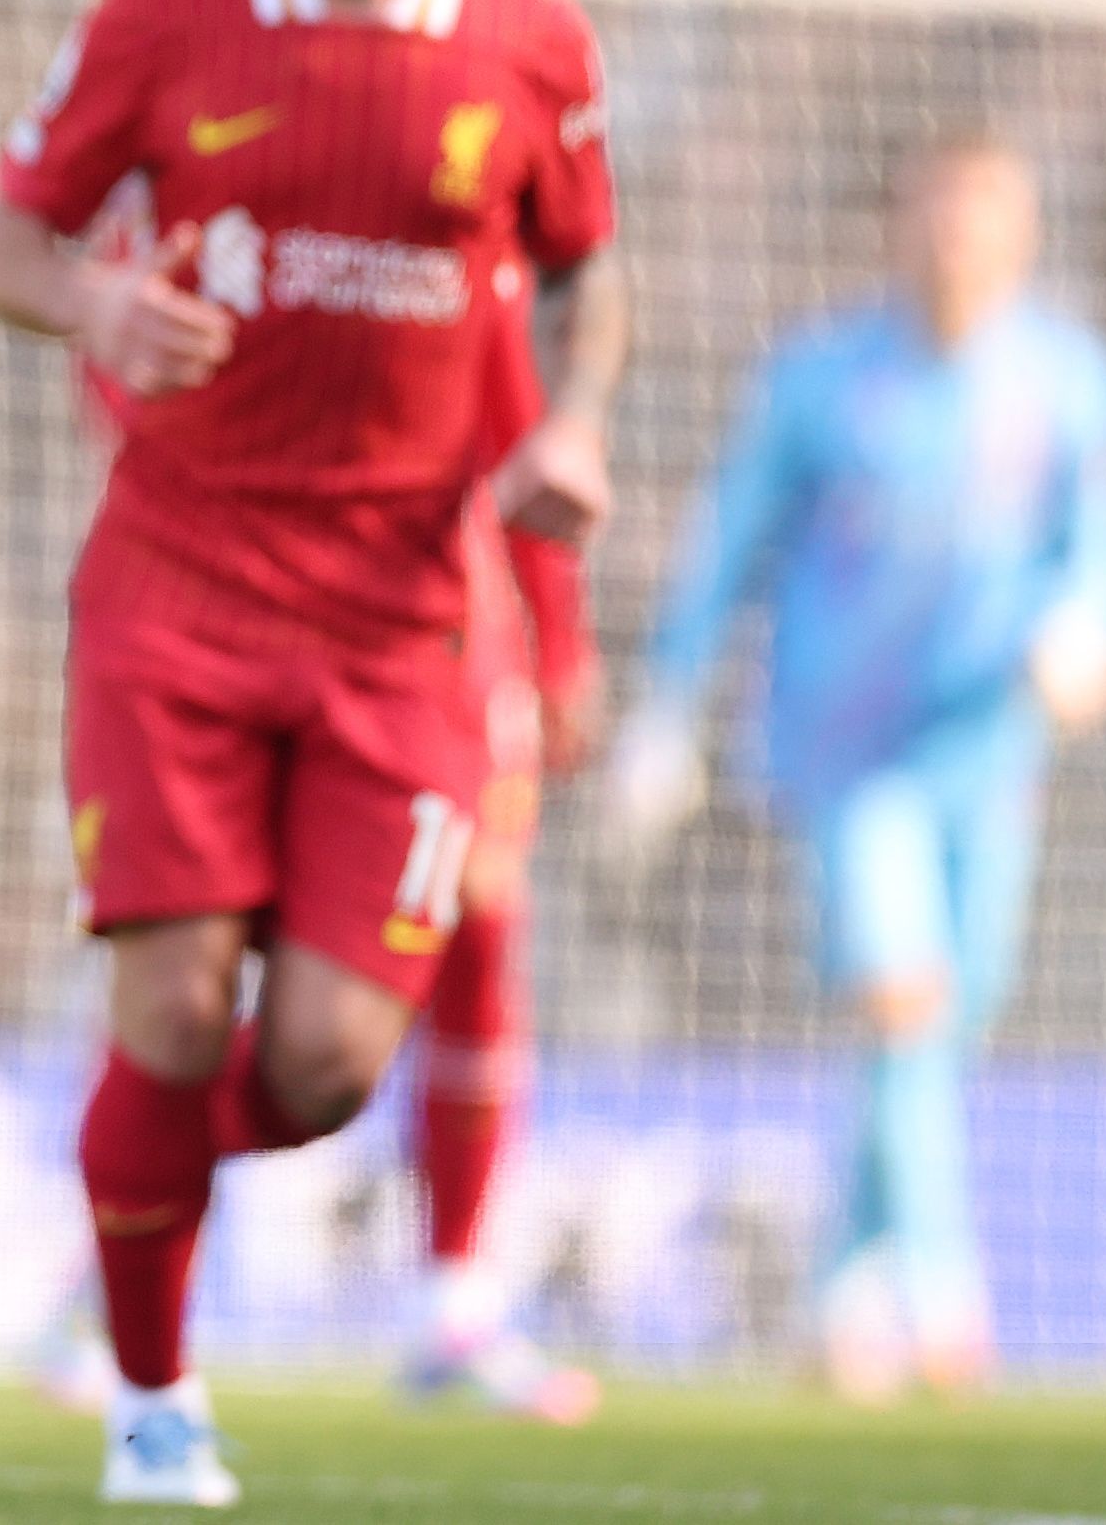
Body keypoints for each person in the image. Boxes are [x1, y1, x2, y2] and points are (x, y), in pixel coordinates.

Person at [0, 0, 625, 1507]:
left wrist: (570, 425)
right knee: (172, 1007)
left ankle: (120, 1200)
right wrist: (91, 300)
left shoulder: (528, 48)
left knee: (325, 1065)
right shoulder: (166, 13)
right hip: (173, 594)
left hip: (406, 631)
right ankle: (157, 1406)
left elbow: (587, 278)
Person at [606, 134, 1106, 1406]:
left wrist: (1084, 626)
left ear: (1018, 236)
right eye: (936, 217)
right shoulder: (821, 380)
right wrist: (667, 704)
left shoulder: (1070, 383)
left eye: (982, 220)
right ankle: (943, 1301)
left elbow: (1102, 550)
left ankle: (840, 1286)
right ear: (901, 226)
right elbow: (728, 539)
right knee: (901, 1003)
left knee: (944, 1026)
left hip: (990, 755)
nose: (954, 242)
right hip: (847, 758)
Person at [401, 315, 602, 1423]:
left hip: (457, 657)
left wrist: (557, 642)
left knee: (482, 923)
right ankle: (101, 1282)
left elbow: (530, 462)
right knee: (239, 962)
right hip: (272, 626)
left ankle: (456, 1306)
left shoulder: (475, 244)